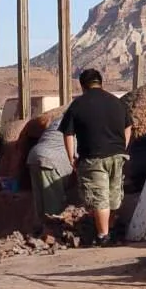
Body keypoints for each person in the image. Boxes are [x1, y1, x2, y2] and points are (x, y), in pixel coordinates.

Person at [59, 68, 132, 246]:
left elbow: (68, 134)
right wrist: (123, 147)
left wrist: (71, 158)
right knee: (113, 195)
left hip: (93, 157)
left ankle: (103, 236)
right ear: (101, 82)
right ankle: (110, 230)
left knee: (99, 197)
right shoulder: (117, 102)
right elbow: (128, 126)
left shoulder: (78, 105)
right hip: (117, 155)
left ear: (82, 85)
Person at [26, 115, 73, 228]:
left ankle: (40, 230)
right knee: (53, 202)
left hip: (34, 156)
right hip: (51, 160)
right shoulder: (78, 121)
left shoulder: (59, 120)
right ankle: (53, 232)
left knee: (40, 200)